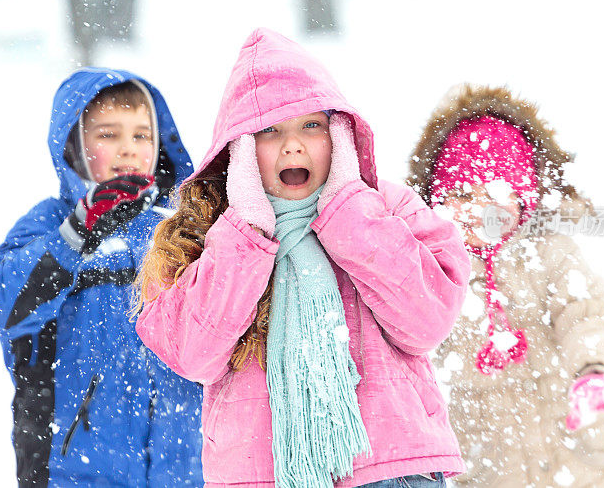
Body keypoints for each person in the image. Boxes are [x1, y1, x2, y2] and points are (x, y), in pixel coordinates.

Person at [132, 28, 471, 488]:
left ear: (340, 134)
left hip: (392, 467)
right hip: (262, 475)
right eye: (270, 131)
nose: (293, 146)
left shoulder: (386, 208)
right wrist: (248, 231)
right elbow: (193, 355)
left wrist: (350, 210)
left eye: (310, 125)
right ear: (240, 149)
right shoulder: (204, 233)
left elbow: (426, 321)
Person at [407, 84, 604, 487]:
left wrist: (595, 372)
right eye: (459, 193)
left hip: (578, 451)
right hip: (488, 459)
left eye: (494, 195)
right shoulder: (430, 269)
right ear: (435, 201)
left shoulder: (549, 253)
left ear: (523, 201)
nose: (476, 210)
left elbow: (585, 317)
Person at [0, 68, 204, 487]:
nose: (128, 149)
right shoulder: (50, 223)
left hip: (184, 470)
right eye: (108, 134)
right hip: (74, 469)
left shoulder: (180, 228)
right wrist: (74, 235)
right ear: (74, 147)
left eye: (141, 135)